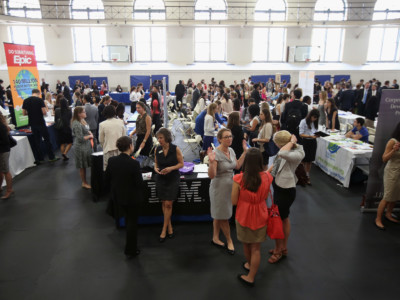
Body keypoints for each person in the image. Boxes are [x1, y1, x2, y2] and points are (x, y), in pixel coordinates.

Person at [231, 148, 272, 286]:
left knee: (246, 244)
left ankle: (250, 274)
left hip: (244, 215)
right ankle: (251, 271)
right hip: (261, 214)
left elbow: (234, 202)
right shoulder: (267, 177)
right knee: (256, 248)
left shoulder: (238, 179)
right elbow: (265, 196)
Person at [207, 128, 248, 255]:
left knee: (218, 214)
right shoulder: (216, 154)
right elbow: (212, 175)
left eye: (230, 136)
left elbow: (237, 166)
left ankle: (215, 238)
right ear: (219, 139)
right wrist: (211, 162)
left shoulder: (231, 150)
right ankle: (230, 241)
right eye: (226, 137)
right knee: (223, 216)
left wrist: (245, 152)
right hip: (218, 188)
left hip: (230, 187)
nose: (229, 139)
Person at [267, 131, 305, 263]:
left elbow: (282, 154)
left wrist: (291, 142)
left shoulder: (297, 152)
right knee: (284, 218)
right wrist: (266, 173)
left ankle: (278, 250)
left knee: (278, 219)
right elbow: (278, 161)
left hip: (286, 189)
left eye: (276, 142)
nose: (275, 144)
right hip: (279, 186)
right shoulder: (286, 149)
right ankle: (283, 247)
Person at [105, 136, 145, 258]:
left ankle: (130, 248)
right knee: (132, 223)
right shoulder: (134, 163)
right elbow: (139, 183)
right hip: (132, 198)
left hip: (118, 197)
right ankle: (131, 249)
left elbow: (107, 179)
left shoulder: (112, 161)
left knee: (128, 220)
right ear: (130, 146)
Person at [153, 128, 184, 242]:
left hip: (173, 178)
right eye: (158, 138)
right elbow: (156, 163)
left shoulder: (175, 149)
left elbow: (181, 164)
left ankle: (163, 229)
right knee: (163, 202)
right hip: (161, 177)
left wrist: (171, 168)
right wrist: (156, 169)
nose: (159, 140)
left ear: (166, 137)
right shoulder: (158, 149)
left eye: (161, 138)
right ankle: (169, 227)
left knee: (169, 204)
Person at [22, 89, 58, 164]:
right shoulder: (39, 100)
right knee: (47, 140)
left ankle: (40, 158)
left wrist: (31, 113)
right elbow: (44, 112)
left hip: (32, 123)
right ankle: (51, 157)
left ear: (32, 93)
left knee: (37, 141)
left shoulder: (25, 100)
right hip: (40, 123)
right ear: (38, 93)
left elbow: (24, 113)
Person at [375, 122, 400, 230]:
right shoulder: (393, 141)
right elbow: (384, 158)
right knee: (388, 196)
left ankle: (388, 214)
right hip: (392, 172)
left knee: (395, 195)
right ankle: (378, 219)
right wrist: (394, 150)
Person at [71, 106, 93, 189]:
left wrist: (89, 133)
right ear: (79, 114)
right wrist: (90, 136)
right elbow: (80, 138)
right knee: (82, 166)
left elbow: (87, 129)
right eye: (84, 112)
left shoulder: (82, 121)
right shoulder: (76, 124)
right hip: (80, 147)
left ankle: (86, 181)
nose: (85, 113)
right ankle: (84, 182)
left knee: (86, 164)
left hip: (86, 146)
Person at [99, 106, 126, 171]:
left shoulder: (102, 124)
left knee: (108, 170)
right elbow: (124, 136)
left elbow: (101, 140)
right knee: (120, 169)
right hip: (120, 150)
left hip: (108, 150)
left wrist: (105, 146)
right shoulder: (120, 122)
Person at [299, 109, 320, 185]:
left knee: (310, 160)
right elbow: (301, 134)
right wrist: (310, 136)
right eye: (314, 117)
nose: (315, 119)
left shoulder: (315, 122)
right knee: (303, 160)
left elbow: (315, 131)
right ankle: (301, 175)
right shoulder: (303, 122)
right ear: (310, 116)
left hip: (313, 142)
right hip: (305, 142)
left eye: (316, 118)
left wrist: (317, 135)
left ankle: (307, 175)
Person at [0, 112, 13, 199]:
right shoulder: (3, 126)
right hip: (3, 150)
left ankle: (9, 190)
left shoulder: (2, 127)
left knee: (5, 171)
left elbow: (5, 141)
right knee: (2, 170)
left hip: (3, 151)